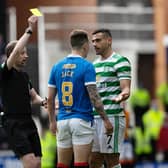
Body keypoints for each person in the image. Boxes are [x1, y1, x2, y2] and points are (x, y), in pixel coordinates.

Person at [47, 29, 113, 168]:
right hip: (81, 120)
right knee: (81, 164)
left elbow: (50, 99)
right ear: (85, 46)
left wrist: (52, 121)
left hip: (62, 120)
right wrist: (106, 120)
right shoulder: (87, 66)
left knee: (62, 164)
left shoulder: (56, 67)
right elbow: (94, 97)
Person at [0, 15, 47, 168]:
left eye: (26, 52)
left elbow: (34, 98)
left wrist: (45, 102)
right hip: (14, 123)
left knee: (38, 163)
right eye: (22, 53)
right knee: (31, 164)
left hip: (28, 121)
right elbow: (15, 52)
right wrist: (29, 30)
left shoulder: (25, 76)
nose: (26, 56)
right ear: (11, 57)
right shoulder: (5, 72)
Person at [90, 29, 131, 168]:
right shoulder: (93, 65)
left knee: (111, 159)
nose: (94, 44)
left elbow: (126, 88)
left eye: (98, 40)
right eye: (93, 41)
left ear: (109, 40)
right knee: (94, 160)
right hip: (94, 118)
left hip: (112, 116)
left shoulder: (120, 61)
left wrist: (123, 95)